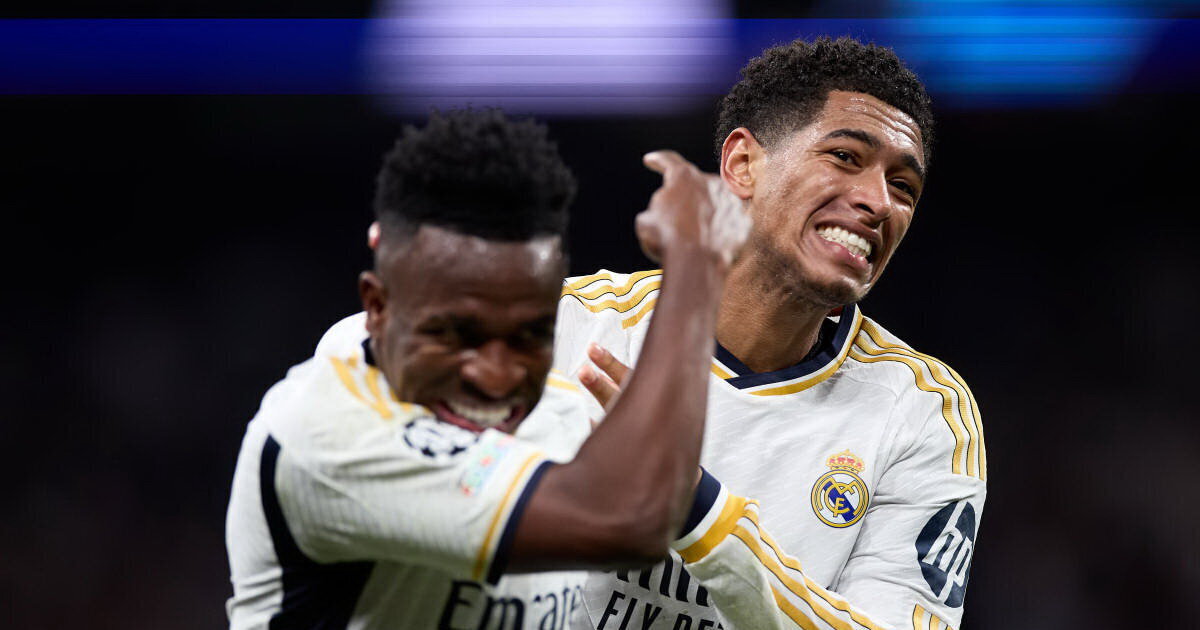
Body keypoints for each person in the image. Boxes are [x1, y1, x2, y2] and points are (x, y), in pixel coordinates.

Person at [224, 109, 750, 629]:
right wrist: (696, 262)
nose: (496, 377)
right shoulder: (327, 430)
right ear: (377, 306)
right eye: (455, 336)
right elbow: (629, 519)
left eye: (530, 336)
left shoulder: (561, 416)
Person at [555, 37, 986, 630]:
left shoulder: (921, 414)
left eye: (904, 187)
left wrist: (698, 511)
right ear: (742, 165)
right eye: (844, 157)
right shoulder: (564, 328)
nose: (879, 202)